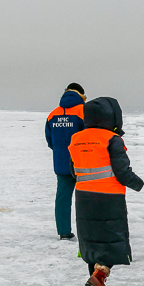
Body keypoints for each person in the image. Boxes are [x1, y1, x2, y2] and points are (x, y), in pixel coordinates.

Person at [67, 97, 144, 286]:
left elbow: (72, 170)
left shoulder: (76, 139)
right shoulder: (112, 139)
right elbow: (122, 172)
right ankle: (99, 277)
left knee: (92, 243)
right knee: (111, 243)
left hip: (83, 197)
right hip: (109, 198)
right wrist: (138, 183)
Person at [45, 83, 86, 239]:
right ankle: (89, 230)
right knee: (88, 198)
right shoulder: (84, 112)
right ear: (81, 95)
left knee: (62, 197)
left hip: (61, 162)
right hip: (83, 162)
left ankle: (63, 231)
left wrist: (61, 151)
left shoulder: (52, 114)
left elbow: (50, 141)